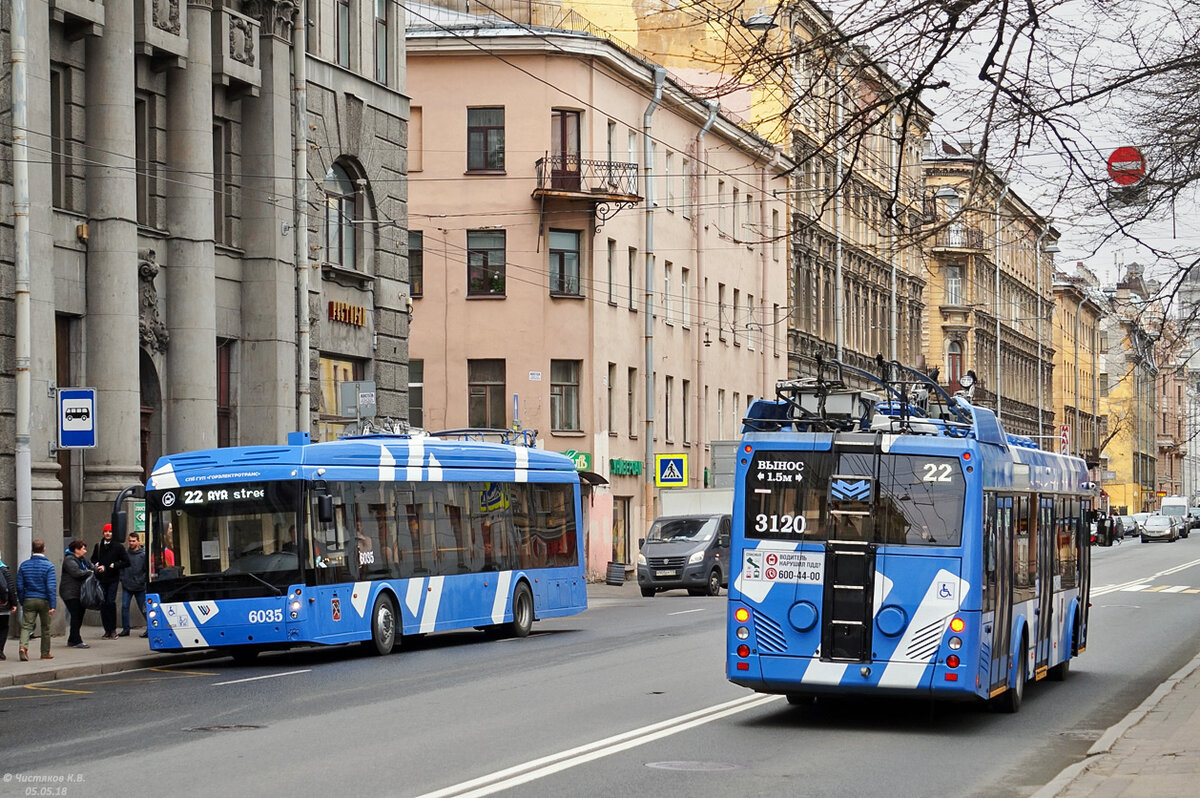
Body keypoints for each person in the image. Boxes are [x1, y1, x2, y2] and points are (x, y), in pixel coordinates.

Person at [16, 539, 57, 661]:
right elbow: (51, 587)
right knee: (45, 627)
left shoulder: (24, 565)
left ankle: (23, 647)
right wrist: (52, 604)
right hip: (44, 600)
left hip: (29, 598)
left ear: (32, 550)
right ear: (44, 549)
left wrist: (23, 599)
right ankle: (45, 653)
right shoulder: (49, 566)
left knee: (26, 626)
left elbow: (19, 586)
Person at [91, 523, 129, 639]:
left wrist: (113, 565)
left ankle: (113, 629)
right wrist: (96, 564)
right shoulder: (98, 545)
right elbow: (93, 558)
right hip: (101, 579)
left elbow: (126, 562)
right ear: (103, 533)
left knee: (110, 602)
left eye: (110, 532)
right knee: (103, 603)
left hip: (112, 578)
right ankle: (107, 630)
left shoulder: (118, 547)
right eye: (106, 532)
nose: (108, 534)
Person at [60, 539, 92, 649]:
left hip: (79, 592)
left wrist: (98, 569)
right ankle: (76, 640)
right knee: (76, 615)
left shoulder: (82, 559)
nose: (85, 551)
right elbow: (77, 573)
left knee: (79, 615)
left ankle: (72, 639)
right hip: (70, 592)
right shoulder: (69, 560)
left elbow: (91, 567)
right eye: (83, 549)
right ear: (76, 550)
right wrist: (90, 572)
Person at [119, 532, 149, 638]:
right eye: (130, 541)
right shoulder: (125, 554)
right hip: (127, 584)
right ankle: (125, 629)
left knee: (144, 608)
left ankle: (150, 628)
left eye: (133, 541)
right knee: (124, 606)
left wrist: (141, 580)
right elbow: (121, 567)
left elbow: (147, 570)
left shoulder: (144, 554)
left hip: (139, 586)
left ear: (138, 541)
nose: (131, 543)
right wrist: (122, 578)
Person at [0, 551, 15, 660]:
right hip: (2, 606)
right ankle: (0, 650)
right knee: (3, 628)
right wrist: (13, 602)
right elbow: (9, 587)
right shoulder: (4, 570)